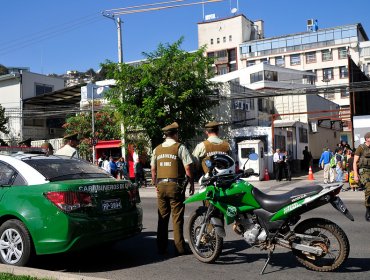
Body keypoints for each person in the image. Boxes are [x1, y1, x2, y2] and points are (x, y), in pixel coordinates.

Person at [151, 122, 194, 256]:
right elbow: (187, 167)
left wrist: (155, 184)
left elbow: (153, 169)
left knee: (162, 217)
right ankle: (179, 247)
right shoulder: (180, 147)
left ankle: (161, 247)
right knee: (177, 217)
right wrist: (191, 183)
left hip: (161, 186)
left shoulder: (157, 149)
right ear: (175, 134)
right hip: (175, 186)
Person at [353, 132, 370, 221]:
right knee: (369, 189)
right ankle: (368, 210)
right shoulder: (361, 148)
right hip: (364, 171)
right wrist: (355, 174)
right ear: (367, 139)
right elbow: (355, 162)